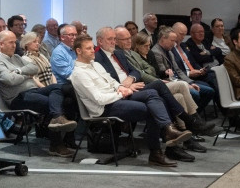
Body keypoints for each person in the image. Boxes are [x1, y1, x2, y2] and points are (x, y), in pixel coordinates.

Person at [68, 34, 191, 168]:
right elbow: (99, 99)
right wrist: (121, 93)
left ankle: (168, 129)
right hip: (104, 107)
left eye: (92, 47)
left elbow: (113, 82)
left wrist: (122, 88)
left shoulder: (96, 64)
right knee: (152, 108)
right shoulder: (79, 73)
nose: (93, 50)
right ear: (78, 51)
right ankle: (157, 150)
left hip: (117, 97)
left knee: (152, 93)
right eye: (88, 49)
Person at [0, 30, 74, 157]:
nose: (14, 45)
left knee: (58, 88)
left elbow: (34, 69)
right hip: (17, 98)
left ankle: (58, 120)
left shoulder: (17, 58)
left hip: (32, 91)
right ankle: (56, 144)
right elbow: (10, 80)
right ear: (1, 44)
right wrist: (26, 75)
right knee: (56, 104)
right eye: (10, 42)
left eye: (15, 42)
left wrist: (18, 71)